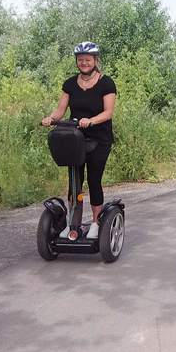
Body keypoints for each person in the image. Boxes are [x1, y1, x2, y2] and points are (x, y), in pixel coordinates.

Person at [41, 42, 117, 239]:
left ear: (96, 61)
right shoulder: (70, 84)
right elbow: (60, 109)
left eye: (88, 59)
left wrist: (90, 121)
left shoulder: (106, 83)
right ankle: (73, 223)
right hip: (76, 140)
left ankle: (95, 223)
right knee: (75, 182)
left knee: (94, 180)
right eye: (80, 59)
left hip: (99, 139)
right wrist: (51, 118)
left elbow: (108, 112)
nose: (84, 63)